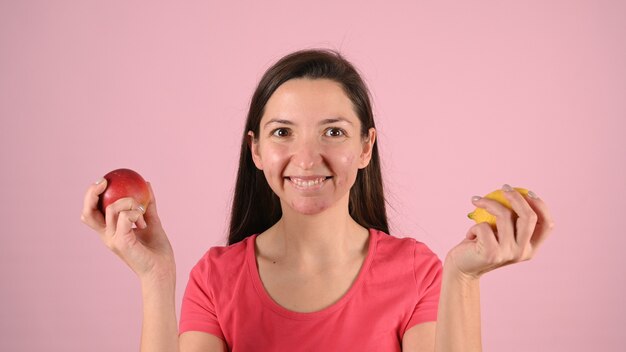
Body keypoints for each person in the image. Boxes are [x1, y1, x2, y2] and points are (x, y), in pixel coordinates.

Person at [81, 49, 554, 352]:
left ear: (366, 148)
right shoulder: (215, 279)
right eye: (283, 133)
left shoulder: (417, 271)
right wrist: (155, 276)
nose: (307, 158)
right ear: (257, 151)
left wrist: (464, 277)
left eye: (333, 132)